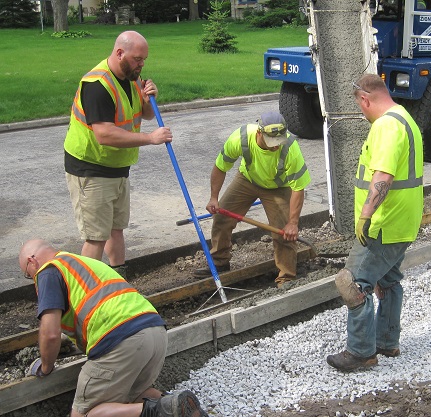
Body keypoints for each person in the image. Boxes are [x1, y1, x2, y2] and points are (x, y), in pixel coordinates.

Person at [18, 239, 208, 417]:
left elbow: (50, 333)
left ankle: (163, 409)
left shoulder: (49, 271)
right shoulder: (81, 263)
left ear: (32, 261)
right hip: (154, 331)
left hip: (121, 339)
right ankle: (180, 408)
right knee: (135, 395)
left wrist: (45, 367)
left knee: (84, 413)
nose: (32, 278)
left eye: (28, 275)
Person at [326, 74, 424, 371]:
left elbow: (382, 177)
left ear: (365, 99)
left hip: (382, 223)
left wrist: (366, 215)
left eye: (360, 107)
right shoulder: (404, 116)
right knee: (389, 281)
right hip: (402, 222)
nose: (361, 113)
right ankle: (386, 341)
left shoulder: (386, 126)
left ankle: (360, 352)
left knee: (351, 283)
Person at [63, 30, 173, 278]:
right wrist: (150, 138)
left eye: (144, 59)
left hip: (118, 168)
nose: (141, 64)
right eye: (137, 59)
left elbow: (144, 114)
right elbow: (105, 134)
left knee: (116, 229)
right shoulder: (97, 85)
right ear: (120, 53)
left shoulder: (132, 76)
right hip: (91, 168)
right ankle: (86, 292)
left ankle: (119, 280)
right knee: (95, 237)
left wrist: (148, 99)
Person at [193, 111, 311, 287]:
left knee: (283, 232)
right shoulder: (240, 138)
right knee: (222, 217)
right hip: (247, 179)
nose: (275, 147)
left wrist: (293, 223)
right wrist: (213, 198)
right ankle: (219, 262)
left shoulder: (290, 148)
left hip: (278, 187)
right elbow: (220, 167)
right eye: (271, 142)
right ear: (259, 133)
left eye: (278, 142)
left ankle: (286, 278)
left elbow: (298, 188)